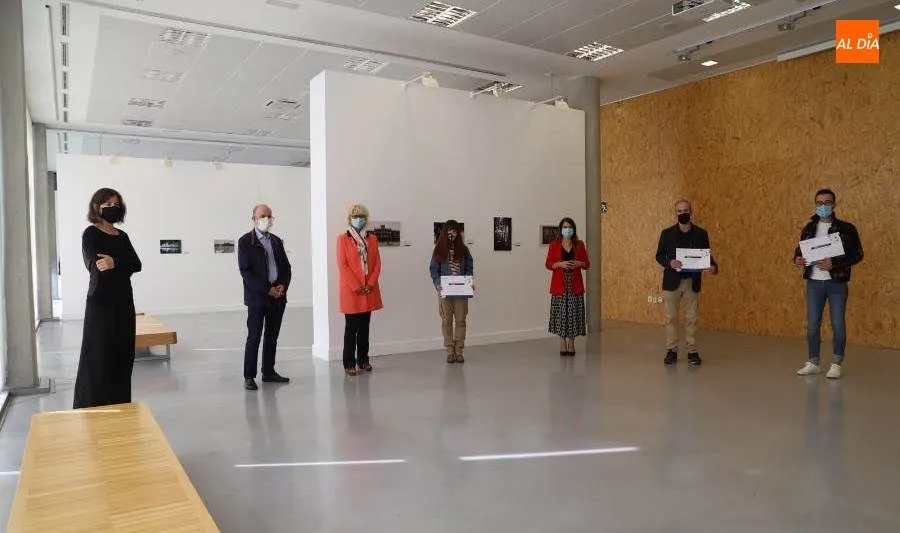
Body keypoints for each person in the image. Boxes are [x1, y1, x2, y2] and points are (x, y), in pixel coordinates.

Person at [73, 188, 142, 409]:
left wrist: (116, 263)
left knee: (123, 353)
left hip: (123, 302)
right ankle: (94, 406)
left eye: (116, 204)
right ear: (96, 207)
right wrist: (117, 263)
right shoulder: (91, 234)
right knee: (99, 355)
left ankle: (119, 404)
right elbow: (98, 264)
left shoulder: (122, 236)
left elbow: (136, 264)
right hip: (101, 304)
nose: (114, 208)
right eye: (108, 204)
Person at [793, 189, 863, 379]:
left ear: (834, 204)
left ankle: (836, 363)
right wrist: (798, 259)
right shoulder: (808, 228)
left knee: (838, 324)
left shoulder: (847, 228)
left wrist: (835, 263)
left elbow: (857, 254)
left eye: (827, 202)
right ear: (815, 205)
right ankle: (813, 362)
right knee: (813, 325)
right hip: (814, 283)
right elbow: (799, 251)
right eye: (819, 203)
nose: (823, 206)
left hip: (836, 283)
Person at [654, 200, 718, 366]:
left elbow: (707, 256)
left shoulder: (701, 234)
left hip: (692, 281)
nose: (683, 213)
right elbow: (659, 255)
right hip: (671, 282)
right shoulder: (666, 233)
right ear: (675, 213)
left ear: (691, 211)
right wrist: (670, 263)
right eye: (679, 211)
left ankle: (692, 351)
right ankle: (671, 350)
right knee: (671, 317)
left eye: (686, 210)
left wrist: (713, 267)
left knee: (692, 318)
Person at [238, 204, 292, 391]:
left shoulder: (276, 241)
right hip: (257, 298)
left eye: (269, 216)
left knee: (272, 336)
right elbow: (246, 272)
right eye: (262, 216)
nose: (266, 219)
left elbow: (286, 267)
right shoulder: (245, 241)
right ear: (253, 218)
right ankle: (249, 376)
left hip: (278, 297)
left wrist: (282, 286)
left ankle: (268, 372)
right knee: (254, 336)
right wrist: (267, 289)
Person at [337, 204, 383, 376]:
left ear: (366, 219)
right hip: (351, 291)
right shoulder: (342, 239)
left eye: (362, 216)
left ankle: (363, 360)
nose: (359, 219)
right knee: (351, 329)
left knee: (365, 328)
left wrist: (370, 283)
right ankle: (349, 363)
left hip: (368, 290)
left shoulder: (373, 239)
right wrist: (357, 286)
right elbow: (343, 265)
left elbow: (377, 264)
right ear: (350, 219)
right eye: (355, 216)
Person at [430, 220, 474, 364]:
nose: (452, 234)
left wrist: (469, 281)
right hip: (445, 291)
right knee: (446, 321)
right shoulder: (438, 250)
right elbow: (433, 269)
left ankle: (459, 350)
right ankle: (450, 350)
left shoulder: (464, 250)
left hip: (461, 291)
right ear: (444, 233)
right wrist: (437, 284)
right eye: (449, 231)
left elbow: (469, 267)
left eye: (454, 231)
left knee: (461, 321)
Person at [545, 217, 590, 356]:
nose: (567, 229)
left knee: (573, 315)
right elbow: (548, 263)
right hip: (559, 285)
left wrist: (580, 264)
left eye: (569, 227)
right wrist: (559, 264)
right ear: (561, 229)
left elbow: (587, 264)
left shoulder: (579, 244)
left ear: (573, 229)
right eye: (564, 227)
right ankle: (562, 342)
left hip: (574, 285)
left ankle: (571, 343)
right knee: (561, 315)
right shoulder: (554, 244)